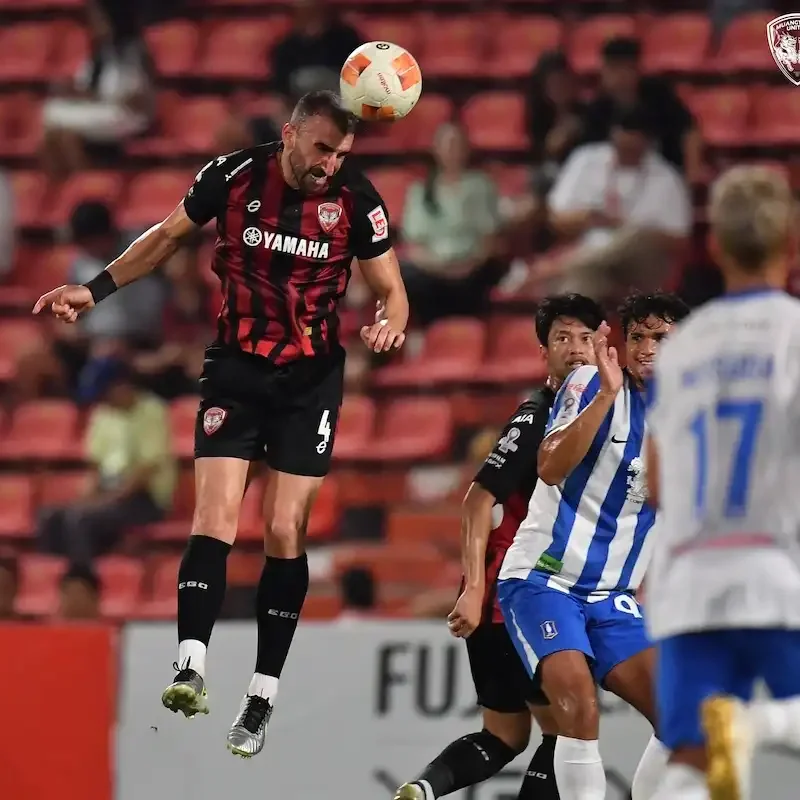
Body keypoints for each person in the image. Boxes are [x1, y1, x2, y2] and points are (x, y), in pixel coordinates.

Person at [32, 89, 408, 759]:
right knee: (213, 517)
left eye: (341, 153)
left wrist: (390, 323)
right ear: (290, 134)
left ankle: (261, 693)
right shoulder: (232, 176)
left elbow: (391, 290)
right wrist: (95, 290)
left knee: (285, 529)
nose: (329, 164)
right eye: (322, 148)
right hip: (237, 367)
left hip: (310, 381)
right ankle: (190, 665)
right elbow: (164, 239)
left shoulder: (357, 199)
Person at [394, 294, 604, 800]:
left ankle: (423, 788)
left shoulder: (598, 415)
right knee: (568, 729)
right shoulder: (537, 417)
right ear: (544, 352)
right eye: (562, 338)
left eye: (585, 338)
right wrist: (473, 590)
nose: (576, 349)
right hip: (519, 598)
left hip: (516, 597)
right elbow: (477, 501)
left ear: (602, 347)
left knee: (504, 734)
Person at [645, 166, 800, 800]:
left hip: (690, 576)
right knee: (746, 727)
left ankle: (734, 730)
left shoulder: (682, 347)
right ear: (791, 240)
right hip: (778, 568)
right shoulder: (794, 333)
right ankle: (759, 724)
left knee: (690, 758)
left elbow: (657, 483)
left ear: (714, 245)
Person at [498, 292, 690, 800]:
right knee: (579, 709)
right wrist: (606, 395)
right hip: (544, 579)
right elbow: (549, 466)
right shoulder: (588, 383)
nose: (647, 349)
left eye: (661, 338)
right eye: (637, 337)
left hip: (612, 596)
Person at [546, 105, 692, 304]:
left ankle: (561, 267)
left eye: (633, 149)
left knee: (635, 234)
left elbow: (680, 240)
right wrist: (589, 218)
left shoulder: (667, 177)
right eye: (622, 147)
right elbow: (556, 218)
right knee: (584, 280)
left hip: (641, 263)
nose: (627, 153)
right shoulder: (586, 160)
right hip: (591, 253)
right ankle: (571, 318)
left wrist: (629, 229)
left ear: (648, 144)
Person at [36, 358, 175, 565]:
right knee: (49, 517)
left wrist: (107, 500)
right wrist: (89, 497)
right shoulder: (101, 414)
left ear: (122, 386)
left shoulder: (152, 411)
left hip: (143, 499)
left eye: (104, 393)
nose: (102, 400)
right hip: (107, 493)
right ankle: (55, 578)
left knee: (81, 519)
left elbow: (145, 471)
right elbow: (95, 466)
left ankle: (84, 575)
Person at [401, 122, 506, 327]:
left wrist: (465, 267)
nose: (452, 151)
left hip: (472, 268)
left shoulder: (481, 185)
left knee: (485, 276)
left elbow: (490, 239)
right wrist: (440, 268)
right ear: (436, 150)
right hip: (432, 270)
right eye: (447, 145)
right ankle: (430, 334)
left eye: (457, 145)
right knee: (407, 278)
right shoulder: (420, 190)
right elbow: (414, 246)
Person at [41, 0, 154, 179]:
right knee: (52, 114)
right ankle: (60, 182)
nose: (94, 23)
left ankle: (81, 178)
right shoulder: (97, 54)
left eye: (99, 19)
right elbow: (88, 89)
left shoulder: (133, 51)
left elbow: (137, 98)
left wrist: (98, 97)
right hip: (101, 108)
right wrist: (72, 90)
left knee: (65, 128)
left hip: (126, 114)